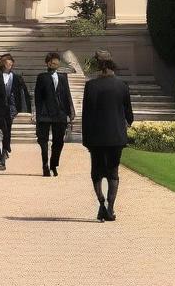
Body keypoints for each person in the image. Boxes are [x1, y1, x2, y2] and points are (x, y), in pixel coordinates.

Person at [81, 49, 134, 221]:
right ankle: (110, 208)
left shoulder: (90, 86)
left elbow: (86, 114)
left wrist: (86, 138)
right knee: (113, 173)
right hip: (115, 136)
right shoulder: (122, 85)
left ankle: (101, 203)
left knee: (96, 172)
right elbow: (129, 115)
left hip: (96, 137)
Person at [0, 53, 31, 172]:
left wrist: (28, 110)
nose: (10, 64)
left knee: (7, 133)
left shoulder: (16, 77)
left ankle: (3, 156)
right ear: (3, 63)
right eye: (8, 62)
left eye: (11, 62)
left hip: (10, 110)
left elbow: (24, 94)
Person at [32, 51, 75, 177]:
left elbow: (67, 96)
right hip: (44, 114)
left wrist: (70, 112)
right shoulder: (42, 77)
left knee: (59, 142)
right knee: (43, 141)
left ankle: (53, 165)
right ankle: (45, 165)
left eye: (56, 61)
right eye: (52, 61)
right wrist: (37, 114)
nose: (54, 63)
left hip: (60, 114)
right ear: (48, 62)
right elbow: (37, 97)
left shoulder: (63, 77)